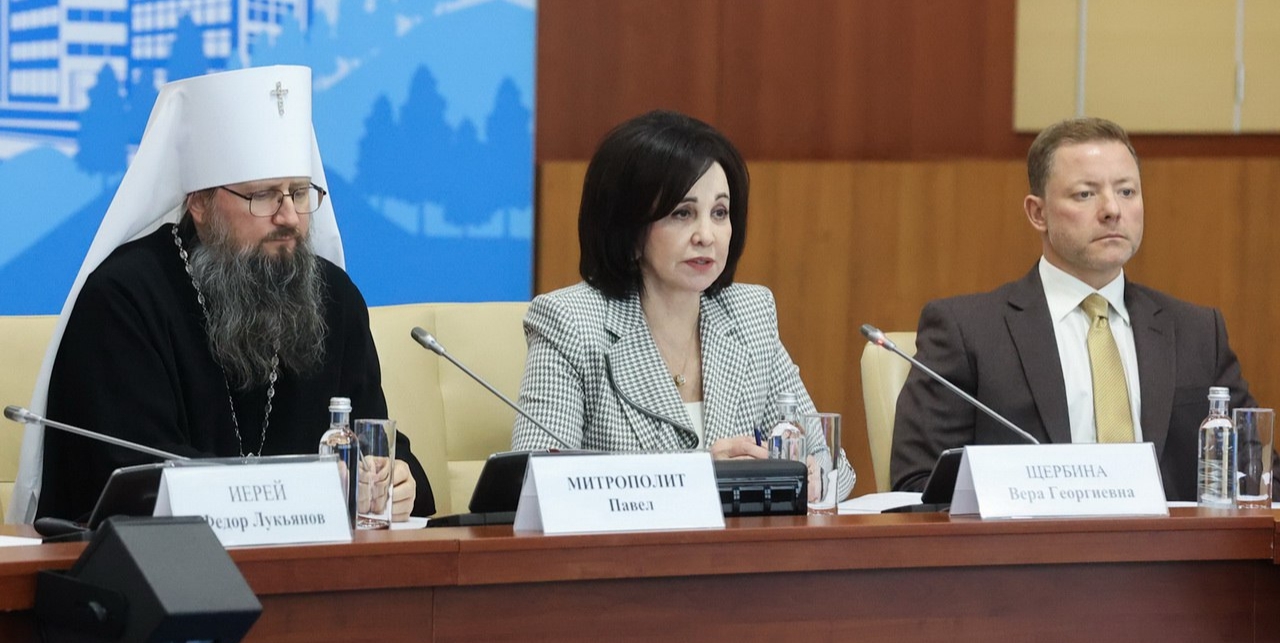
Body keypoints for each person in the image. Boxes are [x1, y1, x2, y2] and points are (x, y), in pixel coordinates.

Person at [10, 66, 434, 523]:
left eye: (298, 193)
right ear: (200, 202)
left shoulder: (332, 298)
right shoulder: (121, 301)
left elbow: (381, 449)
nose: (289, 217)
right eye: (264, 196)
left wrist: (396, 482)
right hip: (166, 562)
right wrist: (295, 494)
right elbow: (133, 483)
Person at [890, 117, 1254, 501]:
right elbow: (918, 488)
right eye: (1085, 194)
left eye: (1127, 191)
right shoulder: (968, 333)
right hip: (1029, 539)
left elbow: (1258, 478)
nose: (1112, 209)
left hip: (1172, 541)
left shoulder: (1198, 332)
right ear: (1038, 213)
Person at [511, 110, 855, 502]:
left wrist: (812, 477)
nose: (706, 235)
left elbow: (834, 465)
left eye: (719, 213)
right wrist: (697, 476)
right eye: (682, 213)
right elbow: (536, 486)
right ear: (630, 230)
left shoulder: (750, 314)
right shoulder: (571, 322)